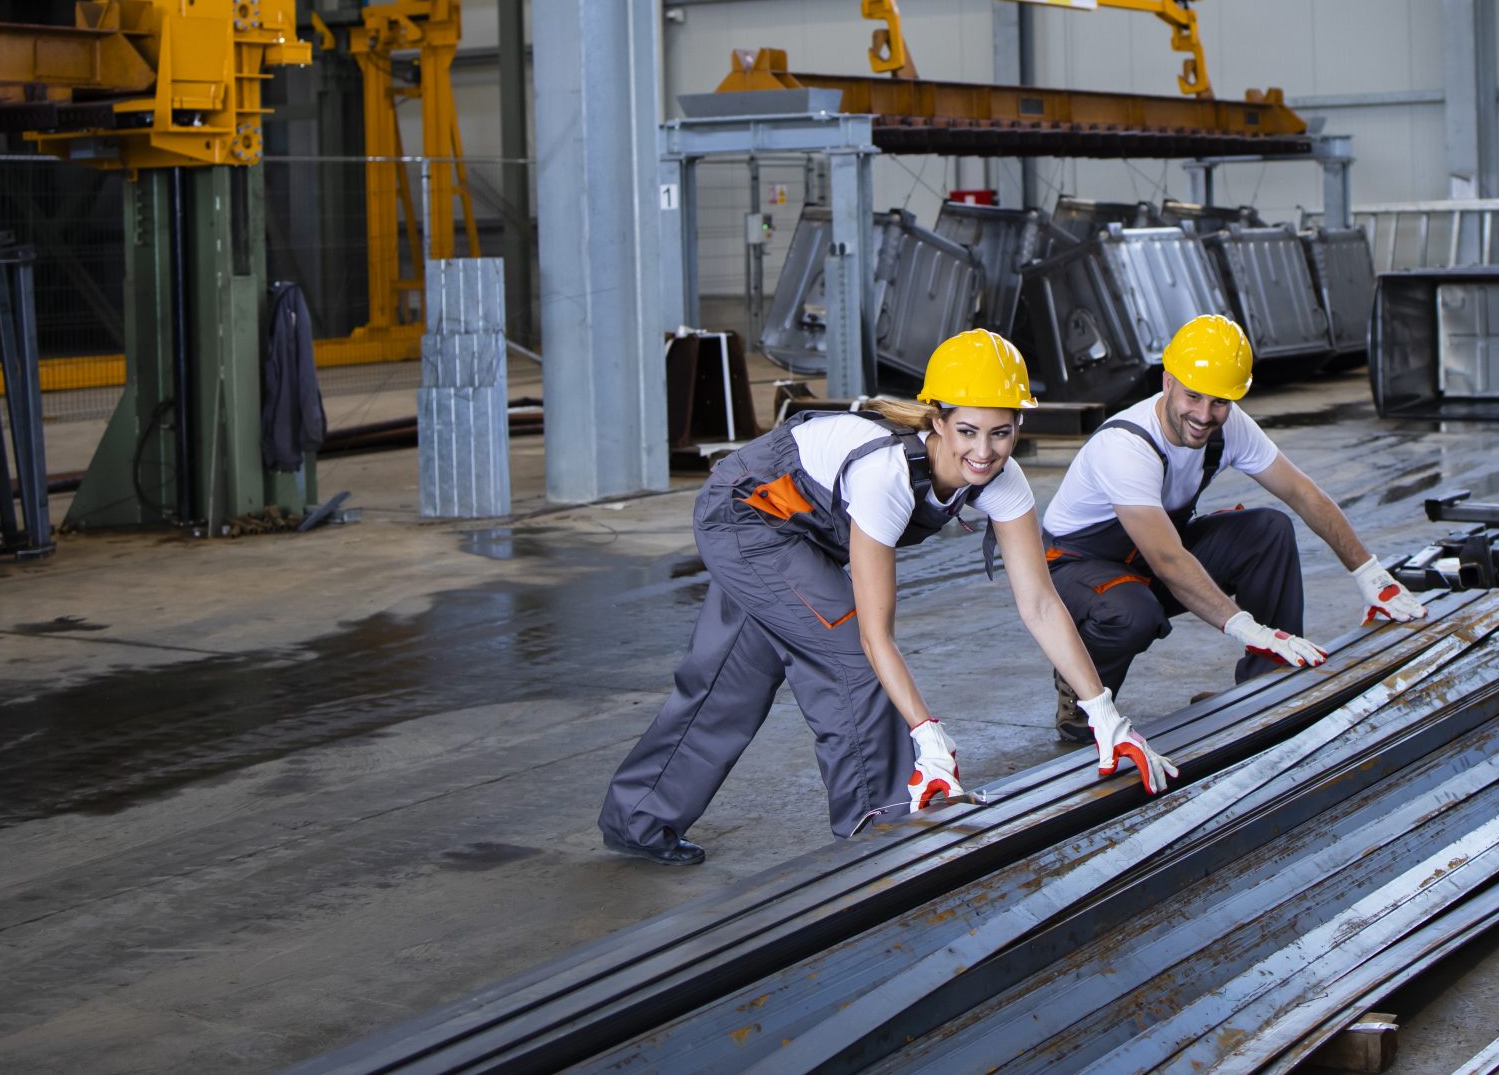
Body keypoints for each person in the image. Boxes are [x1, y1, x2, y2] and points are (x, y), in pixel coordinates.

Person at [599, 330, 1179, 865]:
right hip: (748, 516)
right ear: (938, 420)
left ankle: (639, 818)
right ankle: (884, 833)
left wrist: (1105, 715)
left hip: (803, 533)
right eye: (968, 432)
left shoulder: (1003, 481)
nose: (985, 451)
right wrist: (930, 738)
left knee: (732, 675)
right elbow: (875, 636)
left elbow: (1041, 604)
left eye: (1001, 432)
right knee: (851, 655)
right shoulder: (888, 475)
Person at [1039, 313, 1427, 739]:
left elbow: (1302, 492)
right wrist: (1248, 627)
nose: (1205, 415)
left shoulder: (1228, 426)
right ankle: (1083, 696)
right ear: (1168, 382)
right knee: (1131, 611)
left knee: (1268, 531)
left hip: (1149, 553)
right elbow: (1167, 560)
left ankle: (1267, 683)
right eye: (1193, 397)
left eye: (1220, 402)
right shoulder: (1127, 445)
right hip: (1077, 567)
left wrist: (1369, 573)